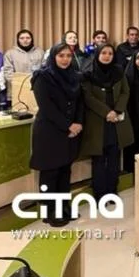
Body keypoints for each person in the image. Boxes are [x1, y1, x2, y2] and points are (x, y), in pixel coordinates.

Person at [29, 43, 84, 227]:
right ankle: (50, 211)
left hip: (70, 131)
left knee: (64, 171)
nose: (65, 59)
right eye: (61, 56)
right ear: (53, 57)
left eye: (68, 56)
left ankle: (63, 207)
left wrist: (78, 123)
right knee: (50, 172)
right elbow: (47, 107)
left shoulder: (74, 76)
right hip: (49, 131)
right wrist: (68, 125)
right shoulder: (42, 77)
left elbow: (80, 102)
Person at [80, 44, 133, 202]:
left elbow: (125, 91)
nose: (107, 56)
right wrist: (106, 112)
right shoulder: (88, 73)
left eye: (110, 53)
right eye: (103, 52)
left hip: (116, 121)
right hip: (98, 122)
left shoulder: (118, 71)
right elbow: (88, 97)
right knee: (99, 159)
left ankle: (112, 191)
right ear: (97, 54)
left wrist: (117, 110)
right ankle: (99, 193)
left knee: (114, 157)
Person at [3, 29, 44, 105]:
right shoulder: (10, 53)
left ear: (32, 39)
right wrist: (20, 83)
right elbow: (7, 72)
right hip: (17, 90)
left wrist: (37, 82)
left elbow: (44, 69)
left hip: (36, 90)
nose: (25, 40)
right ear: (18, 40)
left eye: (28, 38)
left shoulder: (40, 52)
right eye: (22, 38)